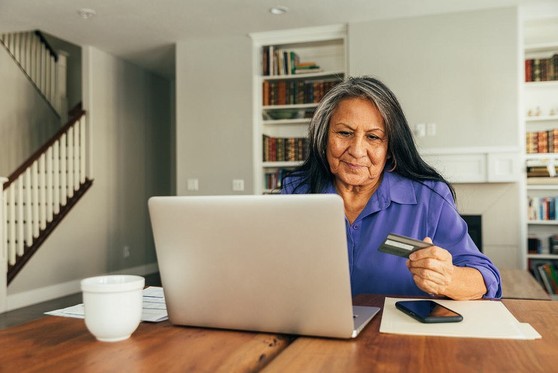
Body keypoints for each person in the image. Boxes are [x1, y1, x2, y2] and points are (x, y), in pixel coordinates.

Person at [281, 76, 501, 300]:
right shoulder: (296, 191)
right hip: (314, 330)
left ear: (389, 148)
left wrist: (448, 278)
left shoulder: (429, 196)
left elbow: (485, 278)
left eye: (373, 137)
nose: (357, 150)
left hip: (400, 333)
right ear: (323, 137)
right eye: (344, 133)